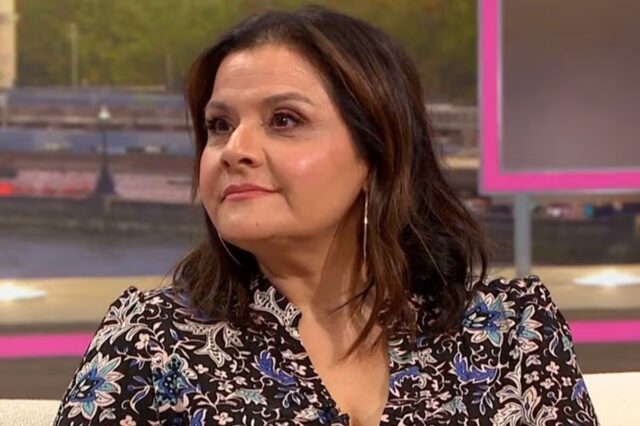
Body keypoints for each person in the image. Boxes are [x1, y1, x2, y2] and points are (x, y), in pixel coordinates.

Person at [54, 6, 599, 425]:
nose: (234, 150)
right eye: (219, 125)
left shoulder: (512, 335)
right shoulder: (151, 342)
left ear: (377, 152)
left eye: (284, 120)